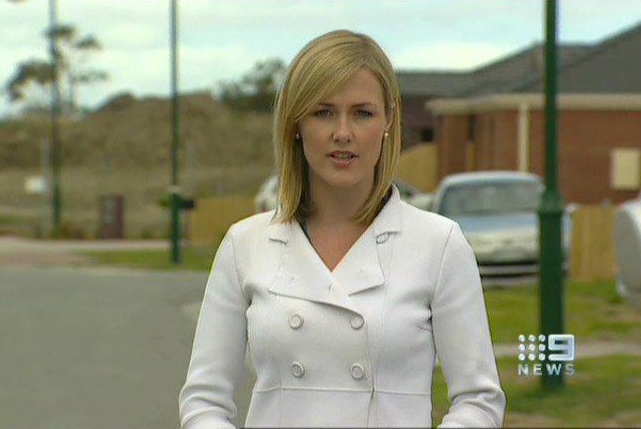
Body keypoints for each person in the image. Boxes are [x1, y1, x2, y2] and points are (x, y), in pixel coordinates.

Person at [179, 29, 506, 428]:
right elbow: (203, 401)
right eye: (324, 112)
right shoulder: (245, 245)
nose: (343, 133)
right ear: (296, 124)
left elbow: (479, 400)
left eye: (362, 113)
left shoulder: (438, 245)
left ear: (388, 121)